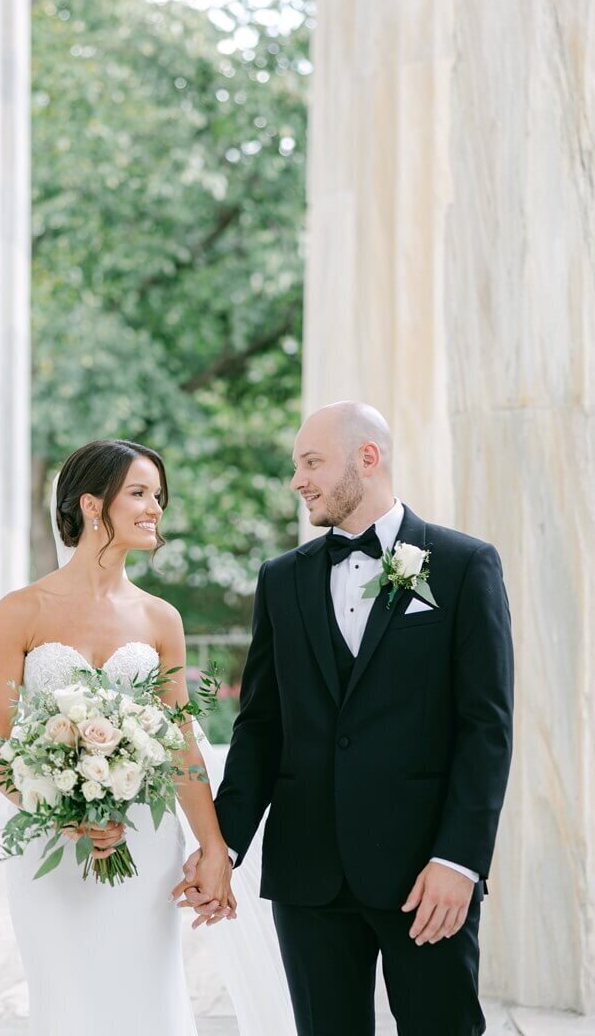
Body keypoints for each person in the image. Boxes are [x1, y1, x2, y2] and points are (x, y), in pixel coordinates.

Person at [178, 401, 514, 1035]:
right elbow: (261, 727)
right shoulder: (281, 580)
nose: (297, 480)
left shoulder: (465, 564)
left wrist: (459, 860)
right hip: (309, 876)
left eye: (311, 462)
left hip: (425, 875)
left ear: (368, 458)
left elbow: (486, 727)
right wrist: (221, 845)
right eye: (295, 465)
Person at [0, 439, 234, 1035]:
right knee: (66, 1001)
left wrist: (213, 847)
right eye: (139, 494)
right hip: (51, 844)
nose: (156, 508)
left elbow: (180, 746)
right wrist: (61, 810)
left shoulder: (160, 618)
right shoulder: (21, 610)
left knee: (144, 1000)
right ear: (93, 505)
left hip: (144, 844)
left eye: (158, 497)